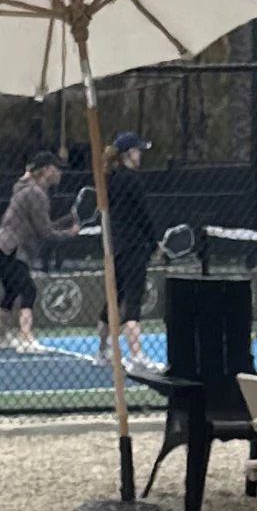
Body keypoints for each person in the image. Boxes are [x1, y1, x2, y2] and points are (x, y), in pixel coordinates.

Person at [0, 155, 72, 347]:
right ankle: (26, 339)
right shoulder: (36, 194)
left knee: (11, 291)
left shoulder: (24, 188)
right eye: (57, 168)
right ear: (47, 169)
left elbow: (39, 226)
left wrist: (65, 223)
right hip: (13, 248)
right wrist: (69, 233)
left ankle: (1, 338)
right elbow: (45, 232)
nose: (60, 173)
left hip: (2, 246)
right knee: (29, 290)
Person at [101, 131, 159, 360]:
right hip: (134, 248)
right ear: (128, 154)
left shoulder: (111, 180)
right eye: (138, 151)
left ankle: (102, 349)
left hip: (115, 248)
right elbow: (143, 215)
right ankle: (136, 355)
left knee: (114, 298)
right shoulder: (132, 180)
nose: (140, 155)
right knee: (133, 301)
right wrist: (154, 243)